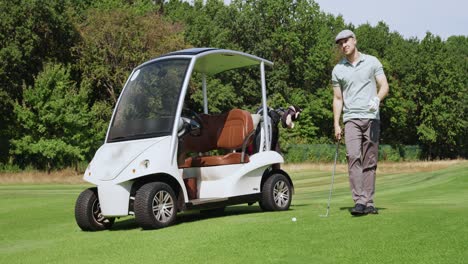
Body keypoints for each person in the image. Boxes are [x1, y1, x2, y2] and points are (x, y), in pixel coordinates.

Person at [331, 30, 389, 216]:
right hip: (351, 119)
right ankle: (359, 201)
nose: (344, 45)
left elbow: (384, 86)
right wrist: (336, 124)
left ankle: (369, 202)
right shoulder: (338, 70)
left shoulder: (372, 62)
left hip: (372, 118)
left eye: (346, 41)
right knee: (354, 157)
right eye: (340, 43)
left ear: (354, 41)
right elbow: (338, 98)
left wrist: (377, 99)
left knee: (370, 161)